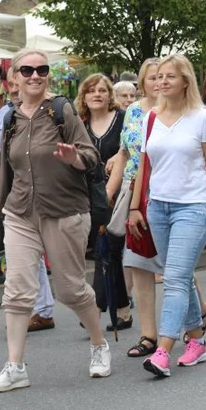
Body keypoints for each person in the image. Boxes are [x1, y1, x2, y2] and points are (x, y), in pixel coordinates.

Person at [0, 49, 109, 393]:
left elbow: (91, 155)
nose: (35, 75)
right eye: (27, 70)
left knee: (70, 288)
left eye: (42, 70)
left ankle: (99, 344)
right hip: (21, 213)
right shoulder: (9, 119)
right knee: (18, 291)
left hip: (65, 210)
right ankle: (15, 366)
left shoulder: (61, 111)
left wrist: (73, 157)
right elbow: (5, 171)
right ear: (14, 79)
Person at [128, 54, 206, 377]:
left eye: (170, 76)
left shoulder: (202, 118)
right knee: (181, 275)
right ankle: (197, 342)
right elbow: (144, 166)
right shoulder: (151, 118)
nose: (162, 82)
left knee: (173, 278)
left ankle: (163, 350)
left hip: (194, 206)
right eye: (158, 77)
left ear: (185, 81)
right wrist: (135, 206)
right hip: (158, 206)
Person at [105, 58, 172, 358]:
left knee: (173, 261)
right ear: (142, 83)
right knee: (138, 262)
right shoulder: (133, 111)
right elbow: (123, 153)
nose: (158, 83)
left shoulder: (183, 112)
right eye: (151, 78)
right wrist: (108, 195)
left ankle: (197, 310)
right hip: (134, 192)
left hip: (168, 191)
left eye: (163, 77)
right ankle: (148, 335)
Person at [0, 71, 55, 333]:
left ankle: (46, 308)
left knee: (40, 256)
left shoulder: (50, 110)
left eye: (19, 84)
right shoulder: (4, 115)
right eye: (11, 85)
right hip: (13, 196)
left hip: (39, 193)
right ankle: (37, 309)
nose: (15, 90)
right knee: (20, 256)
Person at [77, 74, 130, 329]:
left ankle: (96, 310)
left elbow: (130, 154)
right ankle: (123, 310)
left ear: (110, 95)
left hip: (120, 191)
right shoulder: (79, 124)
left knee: (106, 246)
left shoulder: (122, 120)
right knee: (107, 250)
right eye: (91, 91)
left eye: (102, 90)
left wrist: (110, 188)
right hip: (89, 194)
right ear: (84, 97)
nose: (97, 94)